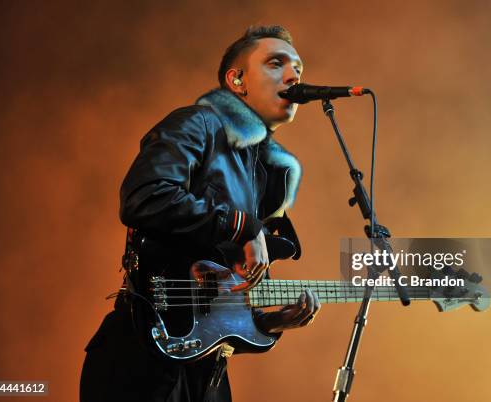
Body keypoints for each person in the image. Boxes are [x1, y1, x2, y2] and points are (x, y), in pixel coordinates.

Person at [80, 25, 321, 402]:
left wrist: (269, 321)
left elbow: (217, 301)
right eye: (277, 64)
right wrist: (242, 226)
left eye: (299, 70)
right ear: (236, 78)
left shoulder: (263, 171)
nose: (293, 76)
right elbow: (144, 197)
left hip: (206, 375)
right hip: (141, 361)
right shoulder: (199, 124)